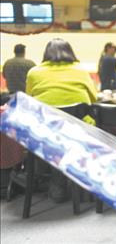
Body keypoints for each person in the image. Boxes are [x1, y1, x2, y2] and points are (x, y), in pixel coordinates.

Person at [26, 38, 98, 202]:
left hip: (46, 132)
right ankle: (82, 181)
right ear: (70, 52)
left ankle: (55, 182)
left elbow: (29, 99)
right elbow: (94, 99)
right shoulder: (81, 71)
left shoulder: (34, 72)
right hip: (79, 131)